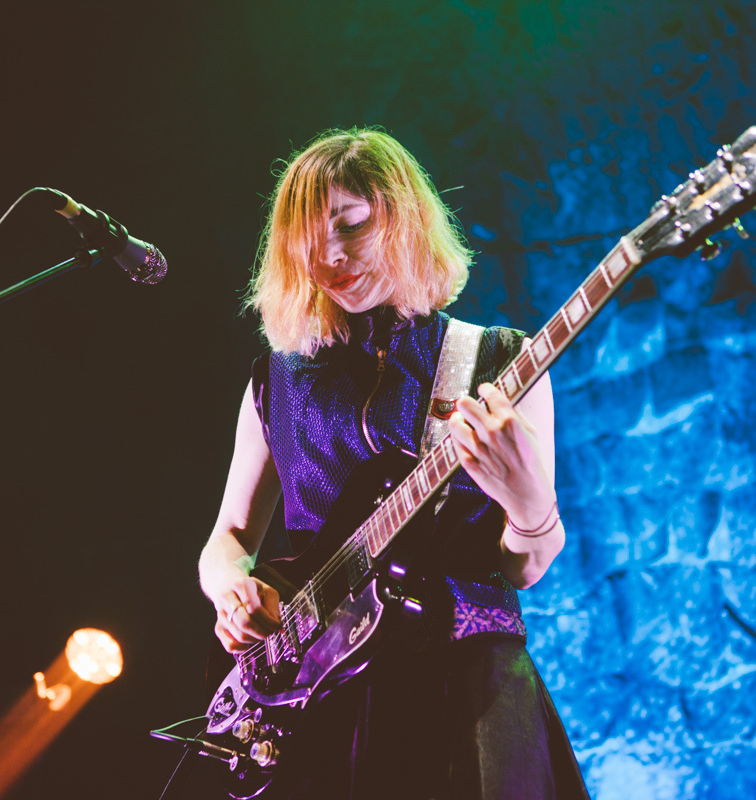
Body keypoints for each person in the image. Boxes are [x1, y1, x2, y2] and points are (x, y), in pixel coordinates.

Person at [198, 128, 588, 799]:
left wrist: (528, 503)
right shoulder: (276, 380)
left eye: (350, 225)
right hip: (319, 695)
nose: (328, 255)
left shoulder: (498, 361)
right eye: (307, 239)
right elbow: (227, 539)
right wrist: (231, 588)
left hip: (466, 683)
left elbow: (524, 567)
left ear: (402, 219)